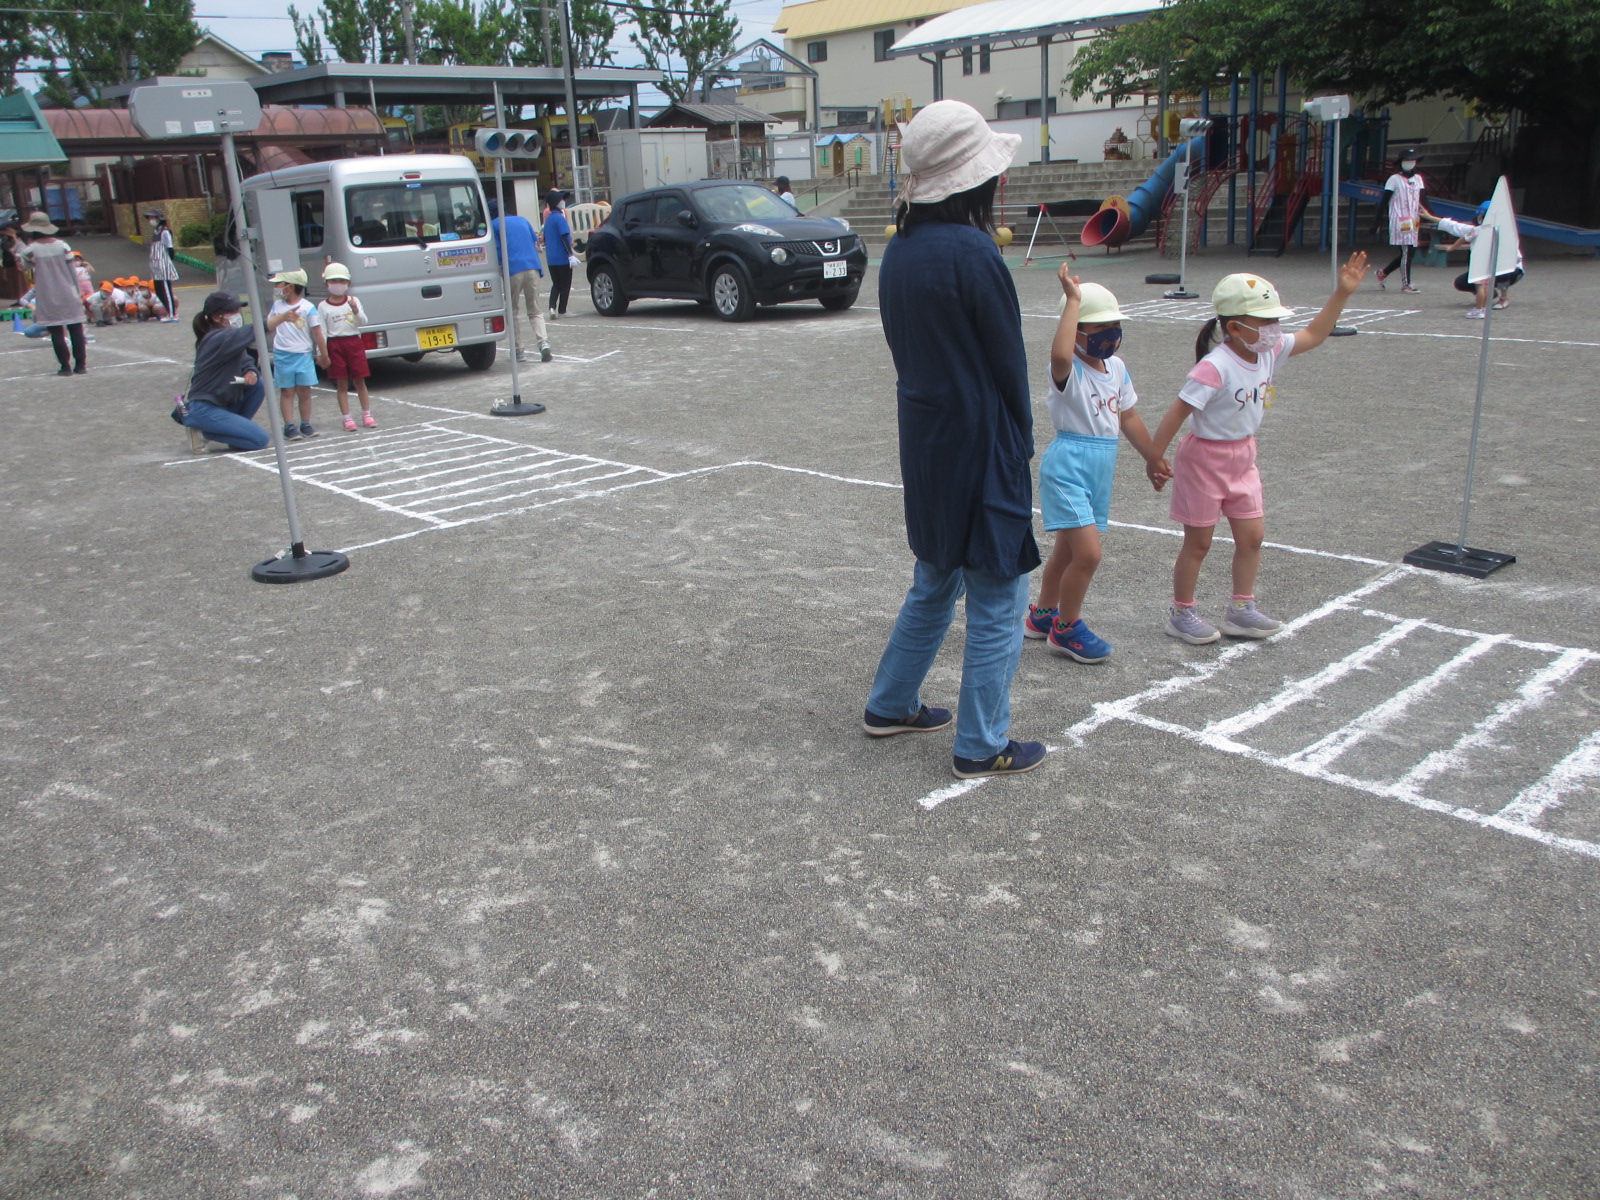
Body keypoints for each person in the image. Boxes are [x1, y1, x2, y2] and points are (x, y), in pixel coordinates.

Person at [862, 99, 1047, 781]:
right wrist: (1020, 444)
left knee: (936, 575)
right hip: (979, 437)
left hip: (927, 435)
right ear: (974, 180)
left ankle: (890, 703)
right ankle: (980, 742)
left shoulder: (901, 250)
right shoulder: (974, 253)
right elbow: (1008, 365)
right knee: (999, 592)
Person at [1147, 255, 1369, 644]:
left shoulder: (1269, 350)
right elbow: (1177, 412)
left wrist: (1341, 293)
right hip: (1205, 460)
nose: (1274, 329)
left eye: (1276, 320)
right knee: (1198, 543)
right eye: (1266, 321)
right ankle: (1181, 613)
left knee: (1252, 536)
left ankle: (1241, 610)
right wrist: (1155, 458)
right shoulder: (1214, 367)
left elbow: (1315, 334)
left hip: (1243, 457)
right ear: (1234, 327)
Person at [1023, 272, 1170, 663]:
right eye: (1098, 327)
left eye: (1114, 326)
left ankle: (1041, 616)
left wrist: (1153, 456)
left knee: (1066, 553)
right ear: (1075, 331)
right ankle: (1066, 629)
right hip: (1068, 466)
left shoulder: (1116, 369)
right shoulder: (1067, 369)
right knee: (1088, 555)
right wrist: (1071, 302)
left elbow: (1129, 418)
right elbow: (1058, 354)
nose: (1109, 334)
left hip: (1100, 467)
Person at [172, 291, 273, 453]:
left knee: (258, 385)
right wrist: (278, 319)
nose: (236, 315)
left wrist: (251, 373)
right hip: (205, 407)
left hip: (222, 403)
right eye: (231, 312)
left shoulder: (228, 338)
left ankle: (234, 432)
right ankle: (202, 432)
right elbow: (250, 332)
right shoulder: (217, 338)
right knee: (260, 440)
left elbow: (247, 361)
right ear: (216, 317)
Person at [1424, 202, 1525, 318]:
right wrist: (1429, 217)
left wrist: (1452, 248)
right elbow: (1455, 227)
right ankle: (1486, 300)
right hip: (1484, 268)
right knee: (1464, 283)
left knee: (1500, 272)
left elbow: (1515, 259)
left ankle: (1500, 299)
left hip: (1509, 270)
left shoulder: (1504, 234)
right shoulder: (1477, 230)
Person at [17, 211, 87, 376]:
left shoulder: (30, 250)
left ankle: (65, 367)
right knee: (76, 329)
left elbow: (25, 266)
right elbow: (72, 271)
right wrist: (76, 292)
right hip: (68, 291)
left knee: (56, 331)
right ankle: (81, 365)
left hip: (47, 294)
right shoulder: (63, 246)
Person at [487, 197, 552, 363]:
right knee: (535, 309)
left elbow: (497, 252)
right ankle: (543, 343)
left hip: (513, 269)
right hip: (533, 267)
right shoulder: (523, 220)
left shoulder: (494, 225)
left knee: (513, 310)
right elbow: (536, 242)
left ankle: (518, 349)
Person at [266, 268, 328, 440]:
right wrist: (282, 317)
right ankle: (289, 425)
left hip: (303, 354)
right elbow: (268, 325)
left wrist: (324, 354)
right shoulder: (277, 306)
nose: (276, 288)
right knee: (287, 391)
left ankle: (306, 423)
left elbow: (317, 333)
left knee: (305, 391)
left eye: (279, 284)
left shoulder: (308, 308)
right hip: (283, 354)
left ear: (290, 287)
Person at [316, 262, 377, 430]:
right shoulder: (323, 306)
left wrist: (356, 310)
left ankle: (367, 413)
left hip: (354, 343)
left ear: (348, 283)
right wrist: (321, 353)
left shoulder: (353, 300)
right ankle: (347, 417)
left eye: (342, 281)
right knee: (341, 383)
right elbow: (321, 330)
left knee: (360, 380)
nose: (338, 284)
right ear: (326, 283)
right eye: (333, 281)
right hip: (335, 344)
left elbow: (363, 322)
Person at [1375, 150, 1429, 293]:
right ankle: (1406, 283)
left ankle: (1383, 272)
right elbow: (1384, 201)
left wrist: (1432, 215)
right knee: (1407, 251)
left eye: (1413, 159)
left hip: (1414, 219)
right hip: (1400, 220)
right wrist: (1377, 222)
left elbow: (1423, 199)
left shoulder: (1418, 178)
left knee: (1409, 253)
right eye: (1407, 159)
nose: (1410, 162)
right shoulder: (1394, 179)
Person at [543, 189, 574, 318]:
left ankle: (551, 307)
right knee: (566, 284)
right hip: (562, 257)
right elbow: (564, 237)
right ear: (556, 202)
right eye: (561, 200)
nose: (563, 202)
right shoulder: (559, 219)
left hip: (551, 258)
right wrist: (570, 255)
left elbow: (545, 238)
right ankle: (562, 310)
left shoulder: (548, 219)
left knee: (556, 284)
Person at [146, 211, 182, 321]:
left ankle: (173, 314)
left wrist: (167, 262)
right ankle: (168, 311)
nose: (150, 220)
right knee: (159, 290)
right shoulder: (155, 232)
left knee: (166, 290)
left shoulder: (164, 232)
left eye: (152, 217)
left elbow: (170, 249)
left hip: (163, 265)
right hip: (155, 266)